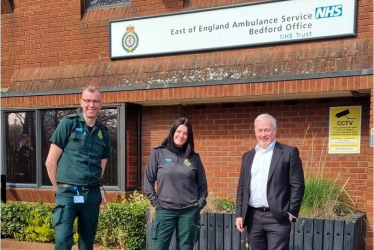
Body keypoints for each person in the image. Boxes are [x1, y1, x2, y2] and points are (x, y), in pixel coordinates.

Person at [45, 85, 111, 250]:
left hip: (91, 196)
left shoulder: (104, 132)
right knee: (62, 240)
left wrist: (93, 186)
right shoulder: (69, 123)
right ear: (81, 102)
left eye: (95, 101)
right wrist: (58, 189)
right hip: (67, 193)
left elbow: (102, 164)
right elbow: (50, 162)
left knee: (87, 244)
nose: (91, 105)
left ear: (100, 104)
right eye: (88, 100)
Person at [235, 113, 305, 250]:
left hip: (278, 218)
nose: (263, 134)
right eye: (259, 130)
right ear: (255, 132)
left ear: (275, 130)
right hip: (253, 217)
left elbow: (298, 185)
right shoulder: (248, 156)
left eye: (267, 130)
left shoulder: (288, 153)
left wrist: (292, 212)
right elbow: (242, 187)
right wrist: (239, 214)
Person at [145, 117, 208, 250]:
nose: (181, 136)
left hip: (189, 212)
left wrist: (198, 205)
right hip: (165, 210)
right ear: (173, 132)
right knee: (159, 247)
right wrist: (156, 204)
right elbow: (148, 182)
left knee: (186, 247)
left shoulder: (194, 158)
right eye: (179, 131)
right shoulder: (158, 153)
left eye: (185, 133)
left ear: (189, 136)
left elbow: (202, 185)